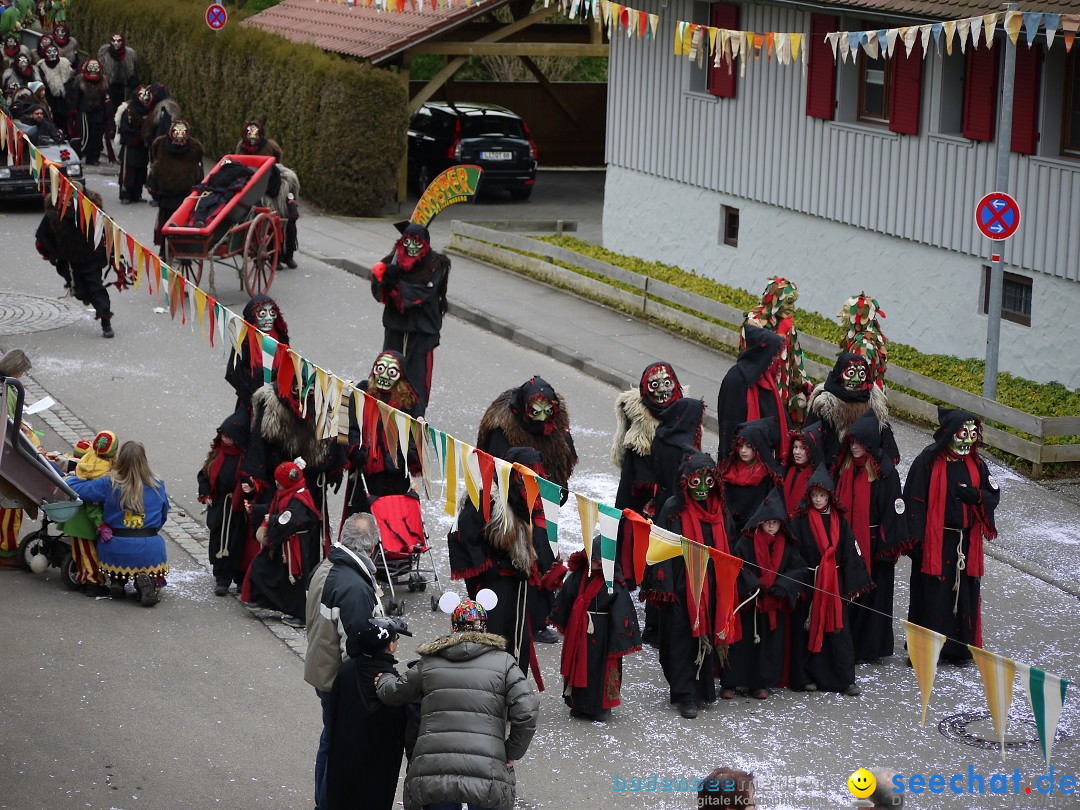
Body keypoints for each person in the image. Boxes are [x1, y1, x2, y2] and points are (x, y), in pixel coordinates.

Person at [375, 594, 540, 810]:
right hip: (486, 771)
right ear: (484, 629)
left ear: (453, 628)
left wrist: (384, 678)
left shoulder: (429, 662)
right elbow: (526, 711)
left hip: (435, 770)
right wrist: (511, 751)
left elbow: (393, 693)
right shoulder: (505, 663)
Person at [477, 375, 577, 643]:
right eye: (536, 411)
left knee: (546, 555)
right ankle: (526, 617)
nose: (542, 417)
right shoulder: (503, 429)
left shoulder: (557, 427)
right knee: (526, 559)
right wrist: (520, 504)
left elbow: (561, 457)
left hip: (543, 502)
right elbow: (499, 471)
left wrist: (558, 488)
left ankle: (542, 615)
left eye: (547, 411)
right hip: (514, 503)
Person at [904, 408, 999, 666]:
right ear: (949, 434)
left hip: (965, 543)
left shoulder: (977, 464)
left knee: (963, 596)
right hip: (935, 543)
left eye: (972, 434)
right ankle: (926, 650)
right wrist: (917, 543)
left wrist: (976, 497)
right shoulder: (927, 461)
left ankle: (958, 649)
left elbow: (992, 495)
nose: (968, 440)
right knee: (932, 597)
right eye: (962, 433)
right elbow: (913, 501)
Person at [647, 452, 738, 719]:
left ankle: (703, 690)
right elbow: (660, 546)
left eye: (707, 482)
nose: (701, 489)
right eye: (695, 482)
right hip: (681, 586)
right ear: (685, 482)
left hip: (711, 588)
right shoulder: (673, 509)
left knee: (706, 636)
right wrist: (665, 587)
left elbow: (728, 547)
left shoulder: (719, 510)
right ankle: (685, 694)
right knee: (682, 639)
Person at [447, 447, 550, 680]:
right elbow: (460, 535)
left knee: (519, 638)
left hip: (519, 582)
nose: (528, 484)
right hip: (494, 585)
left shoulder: (530, 503)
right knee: (494, 637)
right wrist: (489, 569)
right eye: (524, 478)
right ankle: (488, 687)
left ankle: (514, 688)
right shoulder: (487, 498)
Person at [305, 512, 385, 810]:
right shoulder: (352, 584)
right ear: (372, 546)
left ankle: (323, 802)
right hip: (340, 680)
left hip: (323, 669)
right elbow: (357, 646)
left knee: (330, 740)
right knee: (339, 747)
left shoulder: (327, 566)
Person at [611, 361, 704, 578]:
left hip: (672, 478)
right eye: (655, 385)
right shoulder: (633, 409)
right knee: (635, 525)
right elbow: (622, 446)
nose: (662, 389)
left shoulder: (687, 409)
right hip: (640, 479)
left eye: (667, 383)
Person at [833, 410, 909, 663]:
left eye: (860, 443)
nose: (855, 448)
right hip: (848, 544)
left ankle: (870, 647)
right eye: (852, 443)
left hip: (875, 547)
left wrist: (887, 549)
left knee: (874, 599)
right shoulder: (843, 469)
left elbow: (894, 511)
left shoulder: (885, 474)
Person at [788, 466, 871, 695]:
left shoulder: (840, 522)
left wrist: (853, 581)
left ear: (830, 496)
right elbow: (793, 552)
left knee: (838, 631)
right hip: (810, 581)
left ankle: (843, 679)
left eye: (822, 496)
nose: (818, 500)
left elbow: (849, 552)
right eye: (814, 495)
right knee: (807, 629)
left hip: (833, 582)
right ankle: (806, 677)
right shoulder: (801, 520)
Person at [721, 489, 806, 699]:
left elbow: (797, 569)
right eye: (767, 521)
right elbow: (737, 565)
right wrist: (753, 584)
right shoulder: (747, 541)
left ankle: (761, 684)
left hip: (773, 603)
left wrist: (783, 585)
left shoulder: (788, 545)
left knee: (768, 647)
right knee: (741, 644)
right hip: (750, 601)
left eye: (775, 522)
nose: (770, 525)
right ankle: (731, 682)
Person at [66, 442, 169, 607]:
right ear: (144, 460)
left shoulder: (109, 483)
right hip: (150, 547)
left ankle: (117, 581)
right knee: (149, 562)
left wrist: (79, 473)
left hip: (115, 546)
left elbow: (73, 487)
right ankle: (145, 583)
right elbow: (164, 514)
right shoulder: (157, 484)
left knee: (117, 559)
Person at [550, 534, 642, 719]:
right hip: (580, 632)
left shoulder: (614, 582)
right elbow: (567, 597)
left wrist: (618, 638)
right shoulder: (578, 576)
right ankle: (578, 703)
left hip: (604, 634)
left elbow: (621, 611)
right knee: (579, 663)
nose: (596, 564)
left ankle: (601, 707)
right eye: (593, 559)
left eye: (600, 560)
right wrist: (565, 620)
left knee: (601, 671)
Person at [325, 616, 411, 810]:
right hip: (378, 761)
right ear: (390, 646)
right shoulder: (390, 680)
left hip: (344, 753)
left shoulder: (347, 669)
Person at [369, 222, 450, 415]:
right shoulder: (393, 261)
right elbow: (379, 293)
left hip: (422, 331)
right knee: (389, 370)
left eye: (417, 243)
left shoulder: (436, 265)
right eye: (408, 242)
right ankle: (383, 413)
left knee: (417, 377)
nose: (412, 247)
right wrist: (382, 278)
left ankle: (415, 419)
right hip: (396, 327)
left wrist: (396, 283)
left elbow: (423, 293)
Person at [341, 350, 419, 522]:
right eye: (380, 369)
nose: (383, 375)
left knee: (390, 522)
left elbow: (416, 437)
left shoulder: (409, 401)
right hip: (365, 471)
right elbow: (351, 426)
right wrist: (355, 450)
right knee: (361, 521)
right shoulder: (362, 392)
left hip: (394, 475)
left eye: (391, 371)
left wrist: (404, 456)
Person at [244, 459, 320, 624]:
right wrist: (257, 511)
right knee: (262, 567)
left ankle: (300, 616)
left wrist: (272, 519)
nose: (276, 484)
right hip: (282, 542)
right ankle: (260, 600)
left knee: (294, 582)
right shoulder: (288, 493)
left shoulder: (299, 498)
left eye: (279, 481)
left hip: (294, 547)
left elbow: (291, 519)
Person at [39, 182, 114, 337]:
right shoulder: (54, 213)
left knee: (96, 290)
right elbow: (43, 236)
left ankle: (106, 321)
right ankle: (83, 294)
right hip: (69, 263)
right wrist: (55, 257)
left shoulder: (94, 210)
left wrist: (109, 253)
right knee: (80, 292)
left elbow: (108, 231)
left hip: (91, 259)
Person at [805, 353, 900, 471]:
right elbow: (811, 437)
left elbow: (882, 437)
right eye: (850, 373)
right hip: (829, 467)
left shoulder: (874, 402)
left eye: (861, 374)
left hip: (862, 470)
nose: (856, 379)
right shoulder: (824, 402)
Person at [55, 429, 119, 596]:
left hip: (75, 516)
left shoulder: (88, 459)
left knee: (79, 551)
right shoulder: (104, 471)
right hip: (85, 521)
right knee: (89, 553)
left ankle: (83, 577)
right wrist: (100, 523)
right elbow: (94, 502)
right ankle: (93, 582)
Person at [717, 324, 790, 464]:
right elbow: (728, 425)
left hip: (762, 458)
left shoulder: (765, 377)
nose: (774, 360)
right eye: (771, 355)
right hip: (741, 458)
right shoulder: (735, 379)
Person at [741, 275, 809, 426]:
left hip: (782, 392)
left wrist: (804, 385)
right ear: (775, 299)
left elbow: (795, 359)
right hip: (758, 391)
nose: (793, 308)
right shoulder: (753, 323)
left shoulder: (787, 325)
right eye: (790, 301)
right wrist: (779, 336)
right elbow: (753, 359)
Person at [197, 411, 250, 597]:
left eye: (229, 436)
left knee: (238, 543)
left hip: (238, 509)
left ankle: (240, 579)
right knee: (218, 541)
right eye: (223, 435)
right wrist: (206, 493)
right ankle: (222, 578)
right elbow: (204, 475)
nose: (225, 439)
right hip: (220, 505)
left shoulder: (246, 457)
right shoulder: (217, 453)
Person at [237, 120, 300, 269]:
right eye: (250, 135)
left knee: (289, 220)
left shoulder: (270, 146)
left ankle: (288, 255)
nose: (252, 139)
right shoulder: (241, 147)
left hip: (273, 181)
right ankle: (274, 257)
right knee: (265, 223)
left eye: (255, 135)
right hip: (254, 186)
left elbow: (278, 156)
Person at [225, 294, 290, 414]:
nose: (269, 318)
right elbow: (233, 372)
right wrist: (253, 393)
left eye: (272, 313)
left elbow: (289, 367)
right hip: (251, 399)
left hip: (279, 400)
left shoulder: (281, 337)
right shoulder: (244, 341)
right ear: (253, 316)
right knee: (233, 429)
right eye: (263, 314)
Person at [719, 417, 784, 534]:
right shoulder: (729, 470)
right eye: (740, 445)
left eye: (749, 446)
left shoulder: (767, 476)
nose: (743, 450)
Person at [147, 120, 203, 254]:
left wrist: (198, 187)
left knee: (184, 222)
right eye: (177, 132)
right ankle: (164, 249)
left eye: (182, 133)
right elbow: (156, 164)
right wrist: (154, 186)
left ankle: (183, 250)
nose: (179, 136)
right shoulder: (160, 145)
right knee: (166, 221)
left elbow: (198, 169)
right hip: (166, 191)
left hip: (185, 193)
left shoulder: (194, 149)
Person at [0, 349, 33, 568]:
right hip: (6, 457)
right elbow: (10, 423)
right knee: (11, 504)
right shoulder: (9, 388)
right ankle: (6, 552)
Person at [114, 84, 150, 204]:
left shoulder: (147, 111)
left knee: (141, 170)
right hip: (130, 146)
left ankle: (136, 194)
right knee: (129, 171)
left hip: (142, 147)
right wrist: (138, 137)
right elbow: (125, 129)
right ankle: (125, 194)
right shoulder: (129, 110)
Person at [782, 422, 825, 516]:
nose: (796, 452)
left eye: (802, 448)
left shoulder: (816, 477)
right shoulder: (788, 470)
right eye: (795, 447)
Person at [71, 57, 107, 165]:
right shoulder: (80, 80)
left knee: (97, 135)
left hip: (99, 112)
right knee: (86, 136)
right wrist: (74, 110)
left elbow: (106, 98)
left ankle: (94, 157)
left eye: (96, 67)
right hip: (85, 113)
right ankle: (82, 154)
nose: (93, 69)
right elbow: (76, 97)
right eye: (91, 66)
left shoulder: (104, 80)